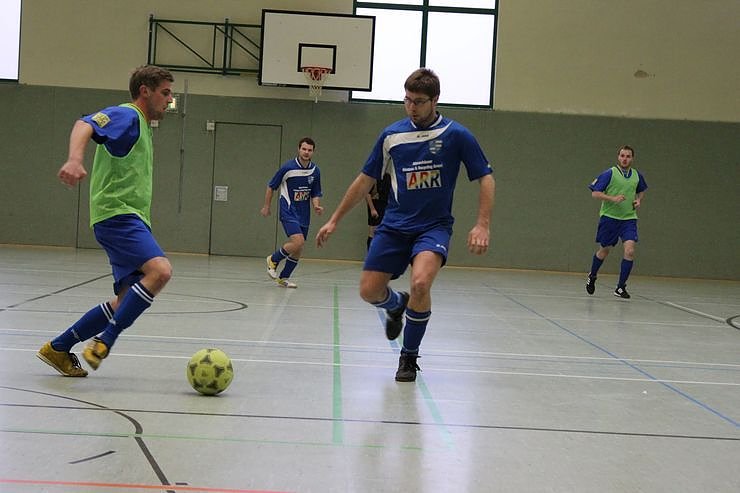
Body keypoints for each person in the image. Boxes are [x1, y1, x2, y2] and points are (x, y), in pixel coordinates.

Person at [316, 68, 495, 382]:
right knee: (369, 291)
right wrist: (334, 220)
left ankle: (409, 356)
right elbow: (365, 180)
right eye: (407, 100)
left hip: (433, 227)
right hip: (394, 226)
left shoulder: (456, 134)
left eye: (419, 101)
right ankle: (396, 304)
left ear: (435, 100)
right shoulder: (391, 136)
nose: (412, 107)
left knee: (421, 283)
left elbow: (486, 178)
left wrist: (482, 224)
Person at [37, 65, 175, 376]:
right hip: (118, 214)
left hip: (126, 217)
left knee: (124, 301)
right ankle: (104, 341)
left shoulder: (141, 125)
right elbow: (85, 124)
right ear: (145, 91)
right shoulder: (127, 115)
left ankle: (58, 348)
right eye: (165, 93)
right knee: (160, 271)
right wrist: (75, 159)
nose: (169, 100)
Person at [585, 145, 648, 299]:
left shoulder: (637, 175)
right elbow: (595, 193)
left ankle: (620, 287)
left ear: (632, 158)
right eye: (622, 156)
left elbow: (641, 190)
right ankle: (592, 275)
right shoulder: (610, 173)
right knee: (604, 250)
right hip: (610, 218)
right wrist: (612, 198)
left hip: (628, 219)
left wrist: (639, 200)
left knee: (630, 251)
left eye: (628, 156)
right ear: (618, 157)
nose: (625, 159)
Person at [261, 137, 323, 288]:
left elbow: (315, 192)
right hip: (288, 211)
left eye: (309, 150)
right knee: (298, 242)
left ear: (313, 152)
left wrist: (316, 206)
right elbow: (271, 186)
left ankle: (283, 278)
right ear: (299, 149)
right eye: (304, 149)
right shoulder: (288, 168)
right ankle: (273, 259)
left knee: (298, 248)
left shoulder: (315, 171)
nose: (306, 152)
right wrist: (266, 206)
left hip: (304, 214)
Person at [365, 173, 391, 250]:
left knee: (384, 231)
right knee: (373, 231)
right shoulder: (373, 177)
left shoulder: (387, 177)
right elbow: (367, 194)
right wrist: (372, 209)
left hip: (385, 205)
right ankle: (370, 252)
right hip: (376, 205)